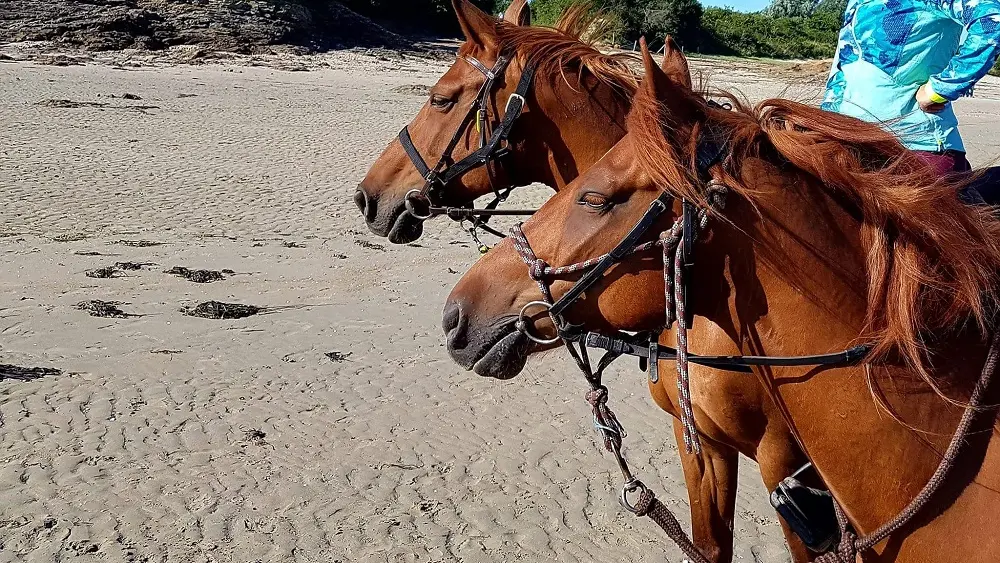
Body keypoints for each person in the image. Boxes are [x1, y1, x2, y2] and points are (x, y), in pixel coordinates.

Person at [822, 0, 1000, 176]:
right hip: (844, 142)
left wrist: (939, 89)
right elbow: (843, 70)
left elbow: (992, 20)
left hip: (913, 147)